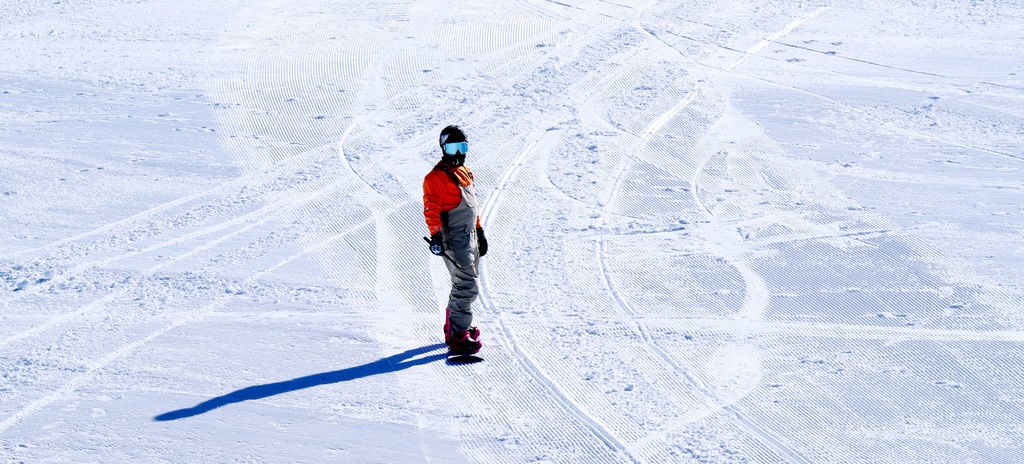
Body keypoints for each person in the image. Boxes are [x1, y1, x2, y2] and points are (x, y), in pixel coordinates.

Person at [423, 125, 489, 355]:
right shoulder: (435, 177)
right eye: (452, 147)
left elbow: (473, 206)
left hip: (469, 235)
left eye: (462, 147)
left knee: (468, 281)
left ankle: (457, 325)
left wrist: (479, 232)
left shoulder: (466, 171)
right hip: (454, 238)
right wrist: (435, 236)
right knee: (466, 284)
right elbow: (431, 208)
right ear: (443, 148)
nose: (458, 153)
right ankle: (457, 335)